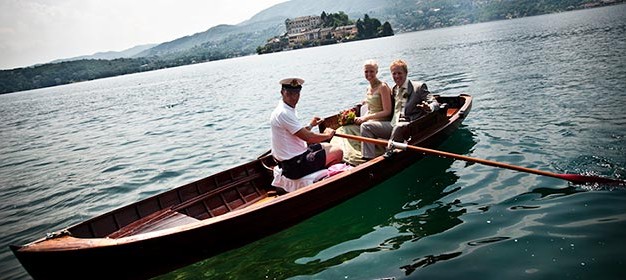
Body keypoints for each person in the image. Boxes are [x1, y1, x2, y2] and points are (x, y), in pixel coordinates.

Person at [360, 59, 439, 159]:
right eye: (394, 74)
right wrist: (367, 101)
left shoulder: (418, 87)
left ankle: (390, 151)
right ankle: (368, 159)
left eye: (399, 73)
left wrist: (429, 107)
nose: (397, 76)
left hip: (410, 126)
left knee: (398, 126)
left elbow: (435, 103)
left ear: (406, 73)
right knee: (365, 126)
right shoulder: (394, 89)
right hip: (392, 124)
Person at [270, 77, 343, 179]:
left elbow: (297, 133)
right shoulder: (283, 113)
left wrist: (311, 125)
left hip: (295, 157)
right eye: (289, 93)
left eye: (296, 93)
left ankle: (322, 170)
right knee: (338, 152)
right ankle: (325, 178)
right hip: (294, 165)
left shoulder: (286, 109)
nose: (293, 97)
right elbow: (308, 138)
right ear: (282, 92)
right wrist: (328, 135)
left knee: (327, 146)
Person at [331, 59, 393, 165]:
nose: (369, 74)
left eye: (371, 71)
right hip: (371, 121)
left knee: (365, 126)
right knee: (344, 128)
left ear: (377, 72)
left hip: (383, 122)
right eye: (366, 71)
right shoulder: (368, 88)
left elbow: (387, 111)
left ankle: (368, 160)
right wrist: (357, 117)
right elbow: (370, 108)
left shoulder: (382, 87)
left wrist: (365, 118)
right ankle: (341, 155)